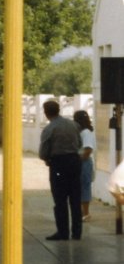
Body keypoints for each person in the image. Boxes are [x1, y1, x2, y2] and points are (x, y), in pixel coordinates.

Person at [39, 99, 82, 241]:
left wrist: (47, 159)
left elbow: (44, 150)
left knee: (60, 200)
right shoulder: (74, 125)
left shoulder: (50, 129)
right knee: (75, 199)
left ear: (46, 113)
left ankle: (63, 232)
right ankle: (77, 232)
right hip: (75, 162)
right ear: (59, 110)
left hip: (58, 164)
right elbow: (80, 143)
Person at [73, 110, 96, 221]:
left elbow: (87, 150)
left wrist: (77, 159)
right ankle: (82, 211)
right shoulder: (80, 132)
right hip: (79, 162)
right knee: (79, 187)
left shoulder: (86, 132)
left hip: (84, 163)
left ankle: (86, 213)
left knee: (84, 187)